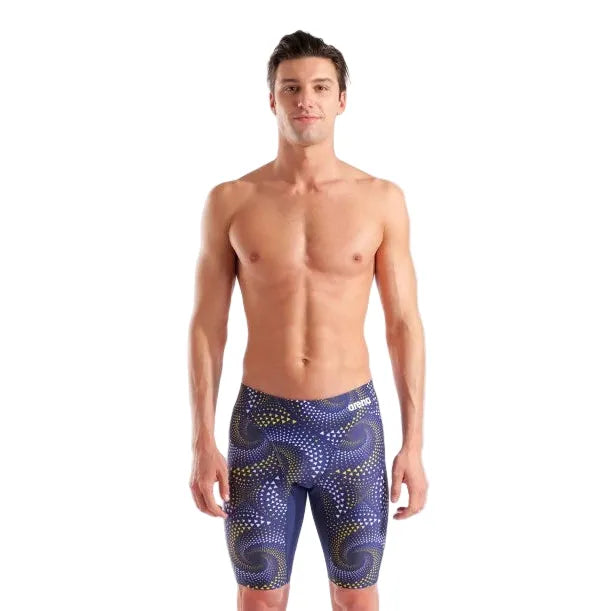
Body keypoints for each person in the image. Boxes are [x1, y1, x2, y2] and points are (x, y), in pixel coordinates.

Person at [188, 30, 428, 611]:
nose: (305, 100)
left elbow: (404, 325)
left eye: (320, 87)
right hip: (261, 428)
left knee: (356, 599)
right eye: (291, 87)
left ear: (342, 99)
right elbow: (206, 327)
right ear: (271, 98)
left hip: (352, 426)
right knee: (260, 600)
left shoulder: (380, 199)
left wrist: (414, 443)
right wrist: (201, 440)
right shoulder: (232, 200)